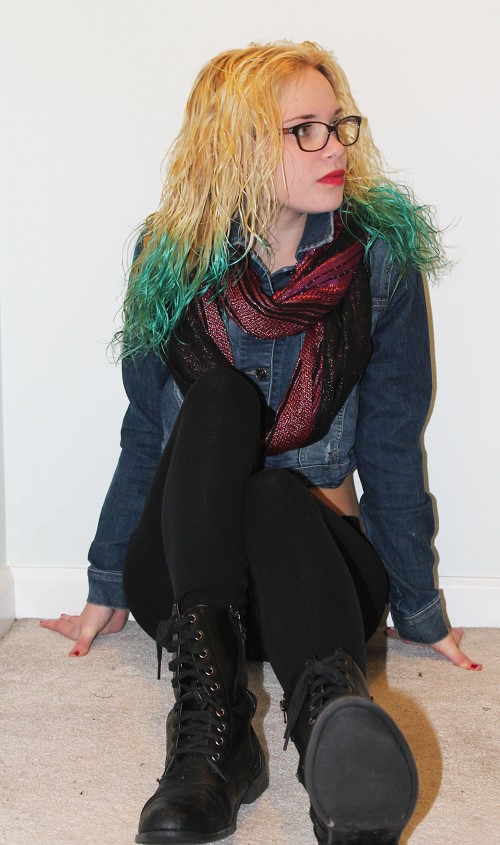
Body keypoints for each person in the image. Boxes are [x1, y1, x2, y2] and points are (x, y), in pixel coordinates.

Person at [40, 41, 482, 845]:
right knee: (216, 399)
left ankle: (332, 738)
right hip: (188, 580)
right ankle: (213, 732)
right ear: (237, 145)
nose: (335, 146)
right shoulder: (169, 258)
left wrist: (421, 608)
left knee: (275, 492)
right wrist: (105, 580)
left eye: (338, 124)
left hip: (314, 572)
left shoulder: (377, 261)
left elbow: (391, 442)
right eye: (304, 129)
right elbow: (146, 429)